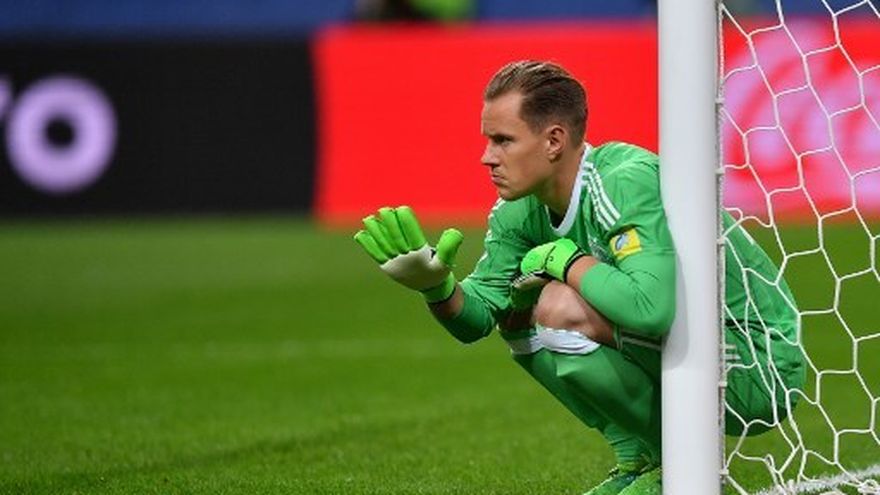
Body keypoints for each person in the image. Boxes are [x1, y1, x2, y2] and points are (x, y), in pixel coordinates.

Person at [354, 60, 805, 495]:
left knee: (559, 306)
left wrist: (567, 260)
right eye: (488, 140)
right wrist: (436, 288)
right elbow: (479, 320)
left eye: (503, 140)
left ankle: (683, 465)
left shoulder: (623, 181)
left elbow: (650, 309)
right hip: (689, 350)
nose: (486, 158)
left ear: (554, 140)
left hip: (755, 363)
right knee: (518, 314)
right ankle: (640, 459)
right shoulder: (519, 210)